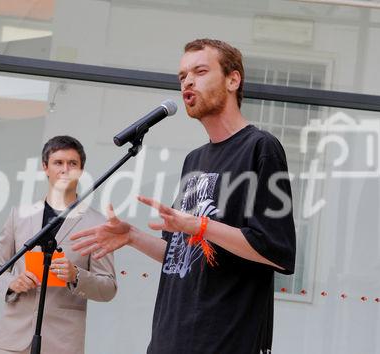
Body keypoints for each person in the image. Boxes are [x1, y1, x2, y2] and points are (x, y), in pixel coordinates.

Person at [70, 39, 296, 354]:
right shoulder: (194, 159)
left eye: (200, 71)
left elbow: (276, 252)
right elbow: (180, 255)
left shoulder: (260, 148)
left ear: (233, 80)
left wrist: (200, 226)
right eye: (182, 76)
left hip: (224, 342)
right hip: (170, 340)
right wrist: (132, 236)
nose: (187, 81)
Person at [0, 135, 117, 354]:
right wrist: (13, 283)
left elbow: (108, 288)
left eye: (72, 163)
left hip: (63, 342)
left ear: (81, 170)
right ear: (45, 167)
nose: (65, 169)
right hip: (14, 340)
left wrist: (76, 275)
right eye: (58, 163)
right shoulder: (19, 215)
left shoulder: (98, 224)